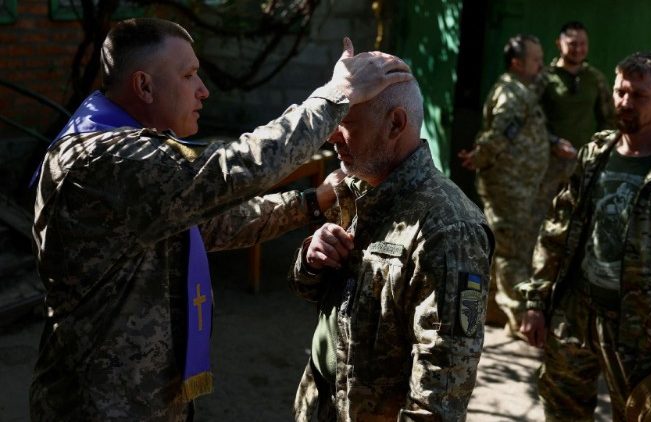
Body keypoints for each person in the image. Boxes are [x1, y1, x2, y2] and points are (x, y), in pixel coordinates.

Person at [30, 17, 412, 420]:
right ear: (144, 86)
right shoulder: (107, 159)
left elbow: (213, 225)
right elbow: (238, 167)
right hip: (101, 407)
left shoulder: (127, 153)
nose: (203, 90)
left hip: (141, 401)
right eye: (188, 75)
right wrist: (336, 96)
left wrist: (311, 202)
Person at [517, 52, 651, 421]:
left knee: (641, 414)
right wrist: (536, 301)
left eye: (639, 95)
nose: (625, 102)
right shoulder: (595, 153)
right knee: (561, 411)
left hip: (642, 329)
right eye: (620, 92)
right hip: (575, 315)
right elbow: (557, 229)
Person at [289, 78, 493, 420]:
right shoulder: (354, 190)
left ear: (395, 124)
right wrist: (311, 259)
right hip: (318, 405)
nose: (332, 136)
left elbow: (439, 394)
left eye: (346, 123)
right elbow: (311, 292)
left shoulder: (450, 228)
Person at [457, 34, 551, 331]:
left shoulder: (521, 88)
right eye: (536, 60)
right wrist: (480, 156)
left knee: (502, 245)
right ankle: (520, 318)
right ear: (517, 63)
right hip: (508, 187)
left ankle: (494, 309)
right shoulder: (510, 93)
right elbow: (500, 133)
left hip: (519, 185)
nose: (541, 65)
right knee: (512, 250)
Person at [534, 21, 615, 234]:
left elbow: (609, 118)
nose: (578, 49)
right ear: (559, 44)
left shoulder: (595, 78)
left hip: (585, 163)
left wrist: (599, 148)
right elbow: (531, 120)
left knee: (580, 220)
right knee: (544, 221)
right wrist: (553, 142)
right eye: (572, 44)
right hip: (548, 165)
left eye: (583, 44)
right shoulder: (544, 79)